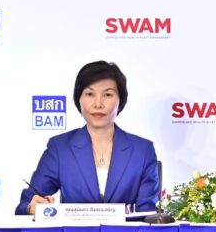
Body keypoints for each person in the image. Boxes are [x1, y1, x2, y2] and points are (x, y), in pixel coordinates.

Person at [16, 61, 159, 216]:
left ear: (120, 101)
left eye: (108, 95)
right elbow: (25, 204)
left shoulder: (142, 151)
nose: (98, 104)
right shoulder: (60, 148)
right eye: (90, 94)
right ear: (79, 99)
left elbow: (149, 215)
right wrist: (32, 207)